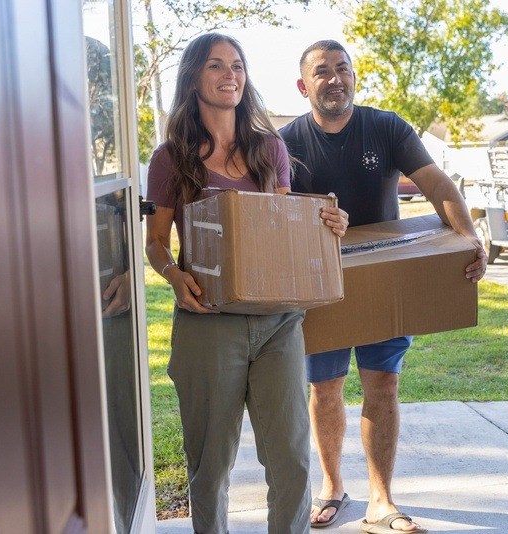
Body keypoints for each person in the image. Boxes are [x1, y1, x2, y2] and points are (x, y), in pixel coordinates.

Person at [279, 40, 487, 533]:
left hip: (385, 279)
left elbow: (437, 185)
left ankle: (381, 500)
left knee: (383, 385)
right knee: (325, 389)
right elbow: (275, 211)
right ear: (303, 85)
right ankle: (333, 486)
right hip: (319, 283)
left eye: (343, 69)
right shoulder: (286, 141)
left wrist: (467, 238)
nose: (335, 79)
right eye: (323, 72)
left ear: (354, 76)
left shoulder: (388, 128)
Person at [144, 33, 348, 534]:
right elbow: (155, 244)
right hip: (208, 323)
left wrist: (326, 224)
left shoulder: (269, 148)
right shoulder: (170, 158)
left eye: (237, 65)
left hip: (279, 322)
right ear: (194, 77)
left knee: (292, 462)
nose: (230, 74)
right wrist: (174, 276)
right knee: (210, 466)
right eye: (217, 66)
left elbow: (281, 228)